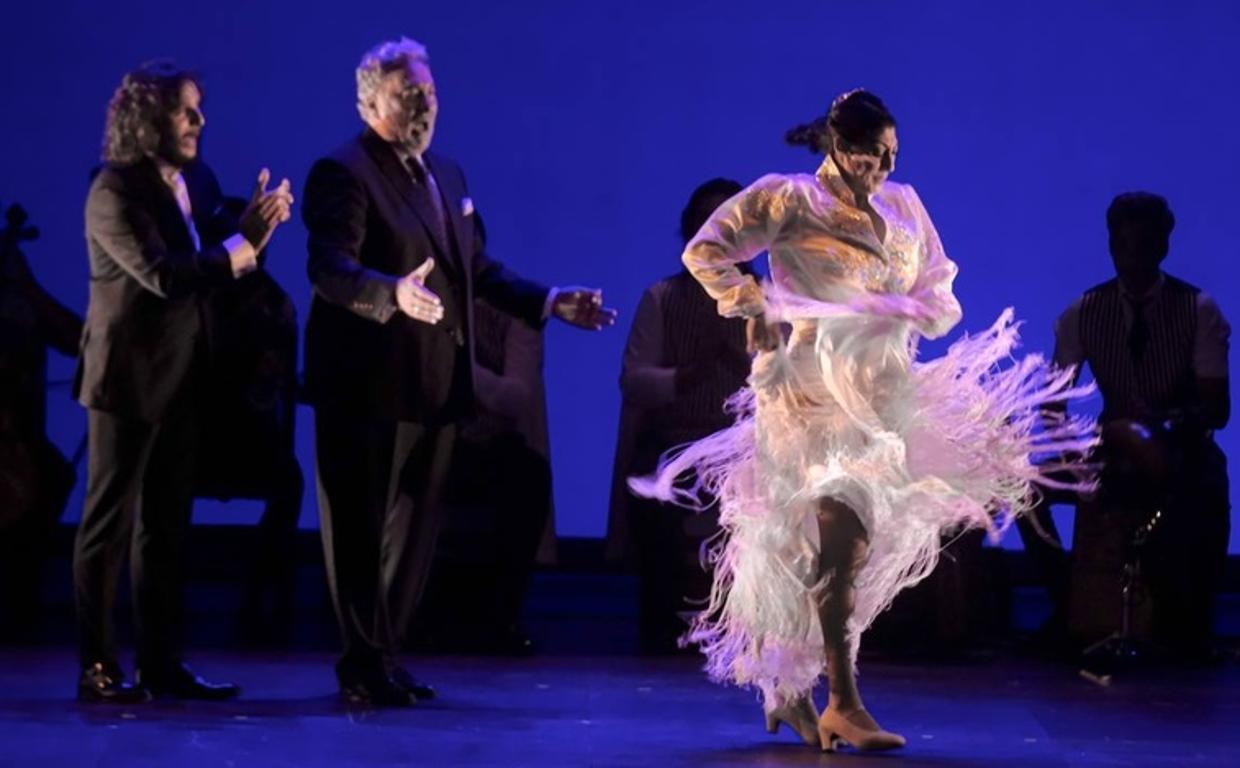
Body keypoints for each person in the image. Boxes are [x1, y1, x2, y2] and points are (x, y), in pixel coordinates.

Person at [631, 90, 1096, 752]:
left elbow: (940, 287)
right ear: (841, 148)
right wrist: (755, 304)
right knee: (837, 542)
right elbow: (706, 251)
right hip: (811, 396)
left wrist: (906, 309)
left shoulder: (903, 206)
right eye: (873, 155)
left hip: (884, 394)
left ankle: (788, 688)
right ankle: (843, 702)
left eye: (890, 156)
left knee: (830, 549)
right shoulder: (789, 199)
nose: (882, 168)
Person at [302, 37, 615, 707]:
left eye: (430, 93)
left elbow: (475, 271)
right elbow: (329, 267)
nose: (424, 104)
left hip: (434, 385)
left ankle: (385, 657)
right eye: (407, 93)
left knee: (414, 534)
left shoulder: (447, 175)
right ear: (369, 102)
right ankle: (361, 663)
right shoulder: (344, 171)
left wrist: (550, 301)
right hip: (366, 385)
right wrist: (392, 294)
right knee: (359, 530)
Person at [73, 61, 293, 703]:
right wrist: (239, 247)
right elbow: (166, 275)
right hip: (125, 381)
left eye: (198, 108)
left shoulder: (198, 177)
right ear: (147, 120)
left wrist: (259, 229)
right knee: (107, 525)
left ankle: (161, 664)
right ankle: (97, 668)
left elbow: (232, 262)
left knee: (165, 528)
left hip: (183, 379)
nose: (199, 121)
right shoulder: (112, 191)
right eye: (184, 110)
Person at [1048, 192, 1230, 661]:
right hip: (1109, 448)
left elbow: (1217, 409)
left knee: (1208, 481)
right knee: (1024, 493)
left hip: (1177, 446)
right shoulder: (1083, 312)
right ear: (1111, 246)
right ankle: (1062, 604)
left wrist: (1163, 426)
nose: (1131, 256)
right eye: (1122, 244)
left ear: (1162, 247)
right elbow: (1053, 402)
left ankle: (1188, 623)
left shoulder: (1197, 309)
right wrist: (1072, 448)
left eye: (1144, 245)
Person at [606, 178, 751, 654]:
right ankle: (662, 621)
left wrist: (749, 364)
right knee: (656, 481)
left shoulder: (768, 299)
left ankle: (755, 624)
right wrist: (688, 374)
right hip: (680, 437)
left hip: (748, 443)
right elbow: (635, 379)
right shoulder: (662, 298)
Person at [0, 203, 81, 640]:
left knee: (52, 478)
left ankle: (21, 595)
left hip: (20, 441)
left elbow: (74, 338)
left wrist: (30, 289)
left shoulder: (22, 304)